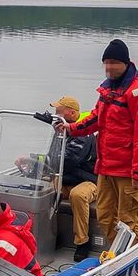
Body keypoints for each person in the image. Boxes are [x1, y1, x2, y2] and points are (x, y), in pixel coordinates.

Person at [63, 39, 138, 244]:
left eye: (114, 62)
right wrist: (71, 129)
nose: (109, 67)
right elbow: (96, 118)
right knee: (105, 215)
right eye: (106, 62)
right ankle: (117, 252)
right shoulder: (108, 89)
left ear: (126, 63)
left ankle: (127, 256)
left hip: (128, 170)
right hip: (106, 168)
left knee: (129, 219)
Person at [49, 96, 98, 262]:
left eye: (58, 112)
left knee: (77, 195)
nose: (55, 115)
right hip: (66, 178)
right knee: (45, 191)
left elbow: (70, 159)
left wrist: (49, 162)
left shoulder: (84, 132)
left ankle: (82, 242)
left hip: (90, 180)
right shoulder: (60, 130)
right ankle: (50, 235)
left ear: (70, 113)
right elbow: (52, 156)